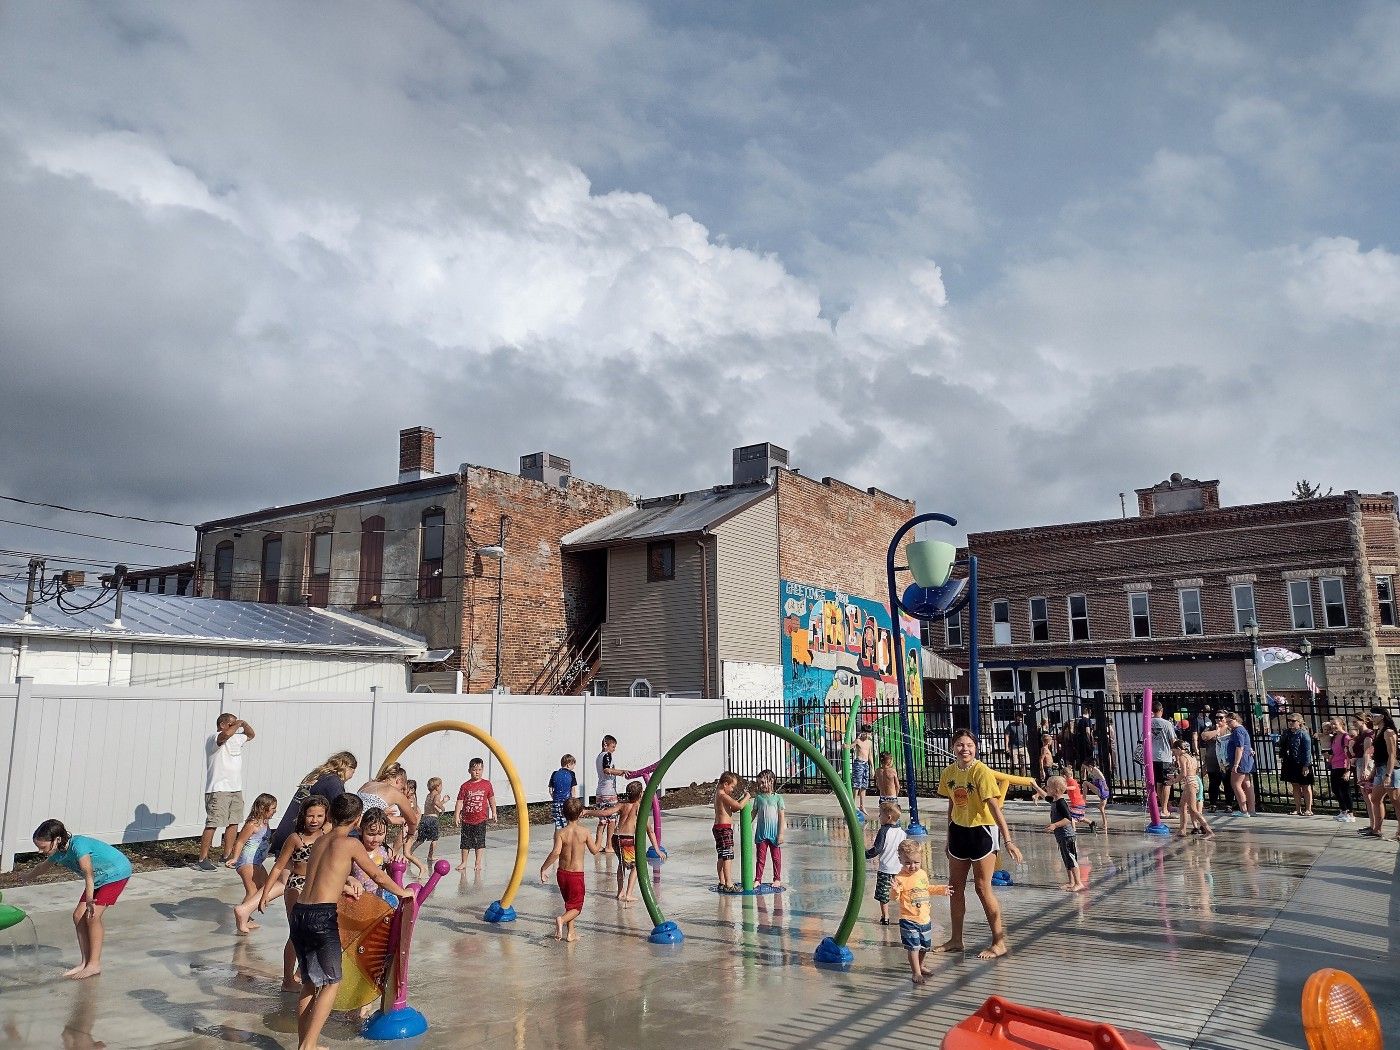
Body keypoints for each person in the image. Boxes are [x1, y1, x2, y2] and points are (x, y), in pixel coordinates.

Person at [287, 793, 412, 1050]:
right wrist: (403, 892)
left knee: (310, 983)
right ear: (357, 821)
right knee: (332, 983)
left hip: (300, 912)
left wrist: (344, 884)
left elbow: (322, 875)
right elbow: (377, 875)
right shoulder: (350, 844)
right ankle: (307, 1047)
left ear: (330, 815)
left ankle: (305, 1042)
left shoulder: (320, 841)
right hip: (322, 916)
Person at [936, 729, 1023, 959]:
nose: (964, 749)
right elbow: (951, 805)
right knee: (955, 888)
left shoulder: (981, 771)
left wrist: (1008, 841)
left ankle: (999, 941)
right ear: (953, 747)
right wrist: (948, 837)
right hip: (958, 832)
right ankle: (956, 939)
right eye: (959, 745)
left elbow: (995, 807)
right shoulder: (948, 773)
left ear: (976, 748)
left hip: (982, 832)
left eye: (969, 745)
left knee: (983, 888)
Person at [23, 819, 132, 979]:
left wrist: (89, 901)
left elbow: (88, 874)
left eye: (43, 847)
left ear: (57, 839)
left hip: (116, 873)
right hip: (98, 879)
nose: (40, 851)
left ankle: (94, 965)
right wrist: (25, 877)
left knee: (92, 916)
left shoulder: (78, 845)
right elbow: (42, 867)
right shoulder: (58, 852)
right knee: (77, 916)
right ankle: (85, 962)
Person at [259, 795, 329, 989]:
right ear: (302, 816)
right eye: (310, 816)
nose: (314, 820)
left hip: (319, 886)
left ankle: (301, 972)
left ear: (326, 816)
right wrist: (265, 893)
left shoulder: (327, 835)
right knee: (296, 934)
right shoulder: (296, 838)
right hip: (297, 886)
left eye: (319, 816)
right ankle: (287, 979)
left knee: (317, 932)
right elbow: (278, 867)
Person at [539, 797, 604, 941]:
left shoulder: (560, 833)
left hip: (562, 874)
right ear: (581, 813)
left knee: (569, 903)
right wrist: (600, 833)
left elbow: (556, 852)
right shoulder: (585, 832)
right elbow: (595, 850)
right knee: (577, 907)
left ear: (563, 813)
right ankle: (561, 920)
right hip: (576, 875)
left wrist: (544, 868)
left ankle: (571, 933)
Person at [196, 712, 255, 870]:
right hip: (218, 789)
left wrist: (244, 724)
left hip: (235, 788)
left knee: (233, 821)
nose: (235, 726)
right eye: (231, 724)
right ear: (222, 725)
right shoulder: (214, 738)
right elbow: (225, 735)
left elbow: (250, 735)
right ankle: (202, 859)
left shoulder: (236, 738)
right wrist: (236, 726)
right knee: (213, 823)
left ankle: (226, 855)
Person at [270, 751, 355, 856]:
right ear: (348, 768)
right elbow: (342, 810)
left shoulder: (318, 776)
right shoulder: (334, 782)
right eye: (353, 773)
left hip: (286, 832)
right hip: (301, 837)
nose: (351, 777)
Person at [588, 781, 655, 901]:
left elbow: (606, 813)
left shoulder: (622, 804)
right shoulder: (639, 807)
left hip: (615, 838)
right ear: (641, 794)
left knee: (622, 864)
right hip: (627, 840)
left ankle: (620, 892)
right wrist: (656, 848)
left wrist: (587, 811)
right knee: (636, 867)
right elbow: (650, 831)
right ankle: (628, 894)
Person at [228, 792, 278, 934]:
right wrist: (235, 858)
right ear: (263, 808)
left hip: (257, 862)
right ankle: (242, 919)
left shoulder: (265, 823)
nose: (275, 811)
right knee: (253, 891)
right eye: (273, 808)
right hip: (247, 861)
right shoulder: (253, 824)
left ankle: (246, 915)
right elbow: (240, 841)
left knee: (266, 887)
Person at [892, 839, 933, 985]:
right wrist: (895, 891)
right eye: (908, 862)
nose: (912, 866)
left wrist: (942, 890)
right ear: (900, 860)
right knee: (913, 947)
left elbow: (927, 889)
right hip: (908, 918)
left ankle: (920, 966)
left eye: (916, 862)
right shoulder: (900, 878)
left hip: (924, 918)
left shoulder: (922, 874)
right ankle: (916, 972)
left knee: (925, 946)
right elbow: (894, 897)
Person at [356, 762, 420, 846]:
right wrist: (410, 835)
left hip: (351, 828)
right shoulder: (394, 792)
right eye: (402, 788)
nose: (402, 791)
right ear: (399, 780)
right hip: (367, 834)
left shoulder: (367, 785)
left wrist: (400, 820)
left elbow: (367, 813)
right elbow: (413, 821)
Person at [864, 800, 907, 924]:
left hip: (886, 869)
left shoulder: (883, 831)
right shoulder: (903, 833)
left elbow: (877, 849)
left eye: (880, 814)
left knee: (883, 895)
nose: (878, 817)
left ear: (888, 817)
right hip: (899, 870)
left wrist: (864, 854)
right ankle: (904, 915)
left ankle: (885, 917)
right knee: (901, 893)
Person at [454, 757, 496, 871]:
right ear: (469, 770)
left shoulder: (487, 784)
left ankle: (478, 863)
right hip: (467, 819)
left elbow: (491, 798)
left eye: (479, 769)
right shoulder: (465, 786)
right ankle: (464, 862)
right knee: (465, 842)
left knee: (479, 842)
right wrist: (456, 814)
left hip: (481, 819)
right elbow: (460, 801)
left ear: (482, 770)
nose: (477, 772)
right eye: (474, 769)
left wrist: (494, 812)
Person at [594, 735, 631, 855]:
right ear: (606, 745)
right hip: (609, 792)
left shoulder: (598, 756)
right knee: (612, 820)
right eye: (613, 746)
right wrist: (621, 772)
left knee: (602, 820)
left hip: (600, 792)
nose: (614, 749)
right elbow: (607, 770)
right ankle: (609, 845)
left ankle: (597, 845)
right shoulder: (607, 755)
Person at [1043, 776, 1083, 891]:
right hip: (1061, 836)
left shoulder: (1061, 803)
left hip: (1067, 836)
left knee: (1071, 859)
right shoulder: (1054, 800)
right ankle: (1071, 882)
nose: (1046, 788)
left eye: (1048, 786)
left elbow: (1068, 819)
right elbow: (1045, 797)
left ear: (1055, 790)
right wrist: (1034, 786)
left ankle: (1078, 883)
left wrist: (1054, 825)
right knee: (1066, 859)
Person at [1365, 708, 1399, 840]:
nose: (1372, 718)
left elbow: (1392, 755)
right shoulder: (1378, 731)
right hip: (1380, 768)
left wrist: (1388, 774)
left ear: (1383, 717)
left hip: (1389, 769)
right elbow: (1378, 755)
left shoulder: (1389, 732)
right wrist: (1373, 772)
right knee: (1375, 799)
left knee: (1396, 801)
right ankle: (1377, 829)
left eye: (1374, 715)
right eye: (1371, 715)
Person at [1171, 739, 1214, 838]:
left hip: (1190, 783)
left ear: (1179, 749)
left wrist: (1173, 781)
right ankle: (1182, 830)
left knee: (1193, 809)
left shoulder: (1182, 757)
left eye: (1174, 751)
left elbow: (1184, 774)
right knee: (1182, 806)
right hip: (1194, 781)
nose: (1174, 754)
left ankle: (1209, 831)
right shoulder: (1192, 757)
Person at [713, 771, 748, 891]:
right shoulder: (723, 796)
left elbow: (732, 808)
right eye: (732, 786)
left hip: (718, 828)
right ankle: (728, 884)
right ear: (725, 784)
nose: (733, 789)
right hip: (724, 829)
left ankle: (721, 881)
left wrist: (738, 800)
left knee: (721, 856)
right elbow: (738, 807)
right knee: (728, 856)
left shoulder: (718, 794)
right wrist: (747, 797)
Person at [751, 769, 785, 889]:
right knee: (760, 859)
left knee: (776, 858)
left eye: (763, 782)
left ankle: (777, 879)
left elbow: (781, 817)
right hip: (761, 834)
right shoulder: (758, 798)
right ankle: (758, 879)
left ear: (771, 781)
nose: (761, 785)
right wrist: (745, 824)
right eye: (759, 783)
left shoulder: (778, 798)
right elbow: (753, 813)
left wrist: (781, 834)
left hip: (774, 834)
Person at [1280, 715, 1315, 816]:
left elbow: (1307, 751)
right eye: (1289, 720)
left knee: (1305, 786)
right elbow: (1282, 745)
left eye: (1293, 721)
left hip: (1302, 762)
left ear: (1299, 722)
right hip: (1291, 762)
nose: (1290, 722)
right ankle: (1298, 808)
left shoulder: (1303, 734)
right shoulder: (1287, 733)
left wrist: (1306, 765)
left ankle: (1308, 809)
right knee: (1295, 785)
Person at [1199, 709, 1233, 812]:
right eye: (1217, 717)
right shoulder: (1211, 728)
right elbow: (1204, 736)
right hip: (1213, 761)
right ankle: (1213, 804)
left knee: (1228, 783)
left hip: (1226, 761)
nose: (1218, 719)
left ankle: (1229, 805)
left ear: (1226, 719)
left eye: (1221, 717)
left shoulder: (1230, 730)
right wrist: (1217, 731)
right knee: (1213, 783)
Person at [410, 777, 450, 863]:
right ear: (437, 787)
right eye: (441, 786)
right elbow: (436, 803)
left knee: (420, 840)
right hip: (432, 820)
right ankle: (430, 856)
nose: (442, 788)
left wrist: (443, 801)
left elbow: (434, 805)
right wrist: (443, 808)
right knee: (434, 839)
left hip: (425, 818)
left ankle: (409, 852)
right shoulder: (437, 795)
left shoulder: (429, 795)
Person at [1224, 711, 1257, 816]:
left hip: (1241, 760)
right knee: (1247, 784)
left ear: (1236, 719)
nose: (1228, 724)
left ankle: (1244, 810)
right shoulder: (1241, 730)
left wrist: (1236, 764)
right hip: (1246, 759)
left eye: (1230, 721)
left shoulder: (1238, 731)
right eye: (1227, 722)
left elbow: (1240, 747)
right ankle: (1251, 810)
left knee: (1236, 784)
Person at [1150, 699, 1178, 817]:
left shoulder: (1148, 723)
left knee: (1158, 783)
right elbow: (1173, 741)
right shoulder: (1167, 724)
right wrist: (1177, 756)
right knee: (1167, 783)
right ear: (1161, 710)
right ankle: (1165, 809)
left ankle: (1162, 807)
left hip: (1152, 757)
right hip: (1165, 757)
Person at [1324, 721, 1355, 823]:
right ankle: (1343, 810)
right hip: (1335, 765)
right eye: (1332, 724)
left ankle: (1350, 813)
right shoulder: (1334, 737)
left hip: (1343, 766)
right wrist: (1328, 757)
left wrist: (1348, 770)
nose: (1333, 726)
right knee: (1335, 789)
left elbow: (1348, 755)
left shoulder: (1345, 737)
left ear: (1341, 724)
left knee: (1344, 790)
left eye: (1335, 724)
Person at [1353, 715, 1377, 836]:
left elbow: (1367, 753)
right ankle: (1372, 824)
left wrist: (1365, 769)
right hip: (1360, 763)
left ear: (1363, 721)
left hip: (1366, 765)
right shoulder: (1361, 735)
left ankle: (1375, 826)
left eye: (1355, 721)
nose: (1353, 723)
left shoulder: (1368, 734)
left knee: (1369, 796)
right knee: (1367, 797)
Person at [850, 725, 874, 820]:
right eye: (866, 733)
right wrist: (847, 745)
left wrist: (872, 767)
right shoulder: (858, 741)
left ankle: (862, 805)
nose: (867, 735)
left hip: (865, 764)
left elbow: (870, 755)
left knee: (864, 785)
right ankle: (853, 803)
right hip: (858, 763)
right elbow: (850, 747)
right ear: (862, 732)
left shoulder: (869, 743)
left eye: (869, 733)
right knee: (857, 785)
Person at [548, 755, 579, 829]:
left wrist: (555, 798)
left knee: (558, 824)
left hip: (556, 802)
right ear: (568, 764)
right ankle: (566, 840)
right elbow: (573, 789)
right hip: (567, 803)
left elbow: (550, 790)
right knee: (568, 823)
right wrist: (573, 801)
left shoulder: (554, 773)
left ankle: (557, 839)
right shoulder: (571, 774)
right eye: (573, 766)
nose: (573, 768)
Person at [1081, 761, 1110, 831]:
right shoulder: (1093, 771)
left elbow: (1102, 778)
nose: (1086, 770)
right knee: (1101, 808)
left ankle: (1084, 800)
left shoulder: (1095, 770)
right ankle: (1105, 825)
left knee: (1085, 783)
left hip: (1102, 791)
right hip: (1104, 791)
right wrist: (1084, 768)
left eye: (1087, 769)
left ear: (1090, 767)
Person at [1005, 713, 1030, 778]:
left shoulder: (1024, 726)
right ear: (1015, 718)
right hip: (1013, 747)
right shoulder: (1010, 726)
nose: (1020, 720)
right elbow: (1007, 736)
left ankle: (1023, 777)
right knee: (1014, 764)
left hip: (1023, 747)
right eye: (1018, 719)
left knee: (1024, 763)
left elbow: (1026, 736)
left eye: (1021, 719)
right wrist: (1006, 747)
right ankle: (1013, 777)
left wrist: (1027, 745)